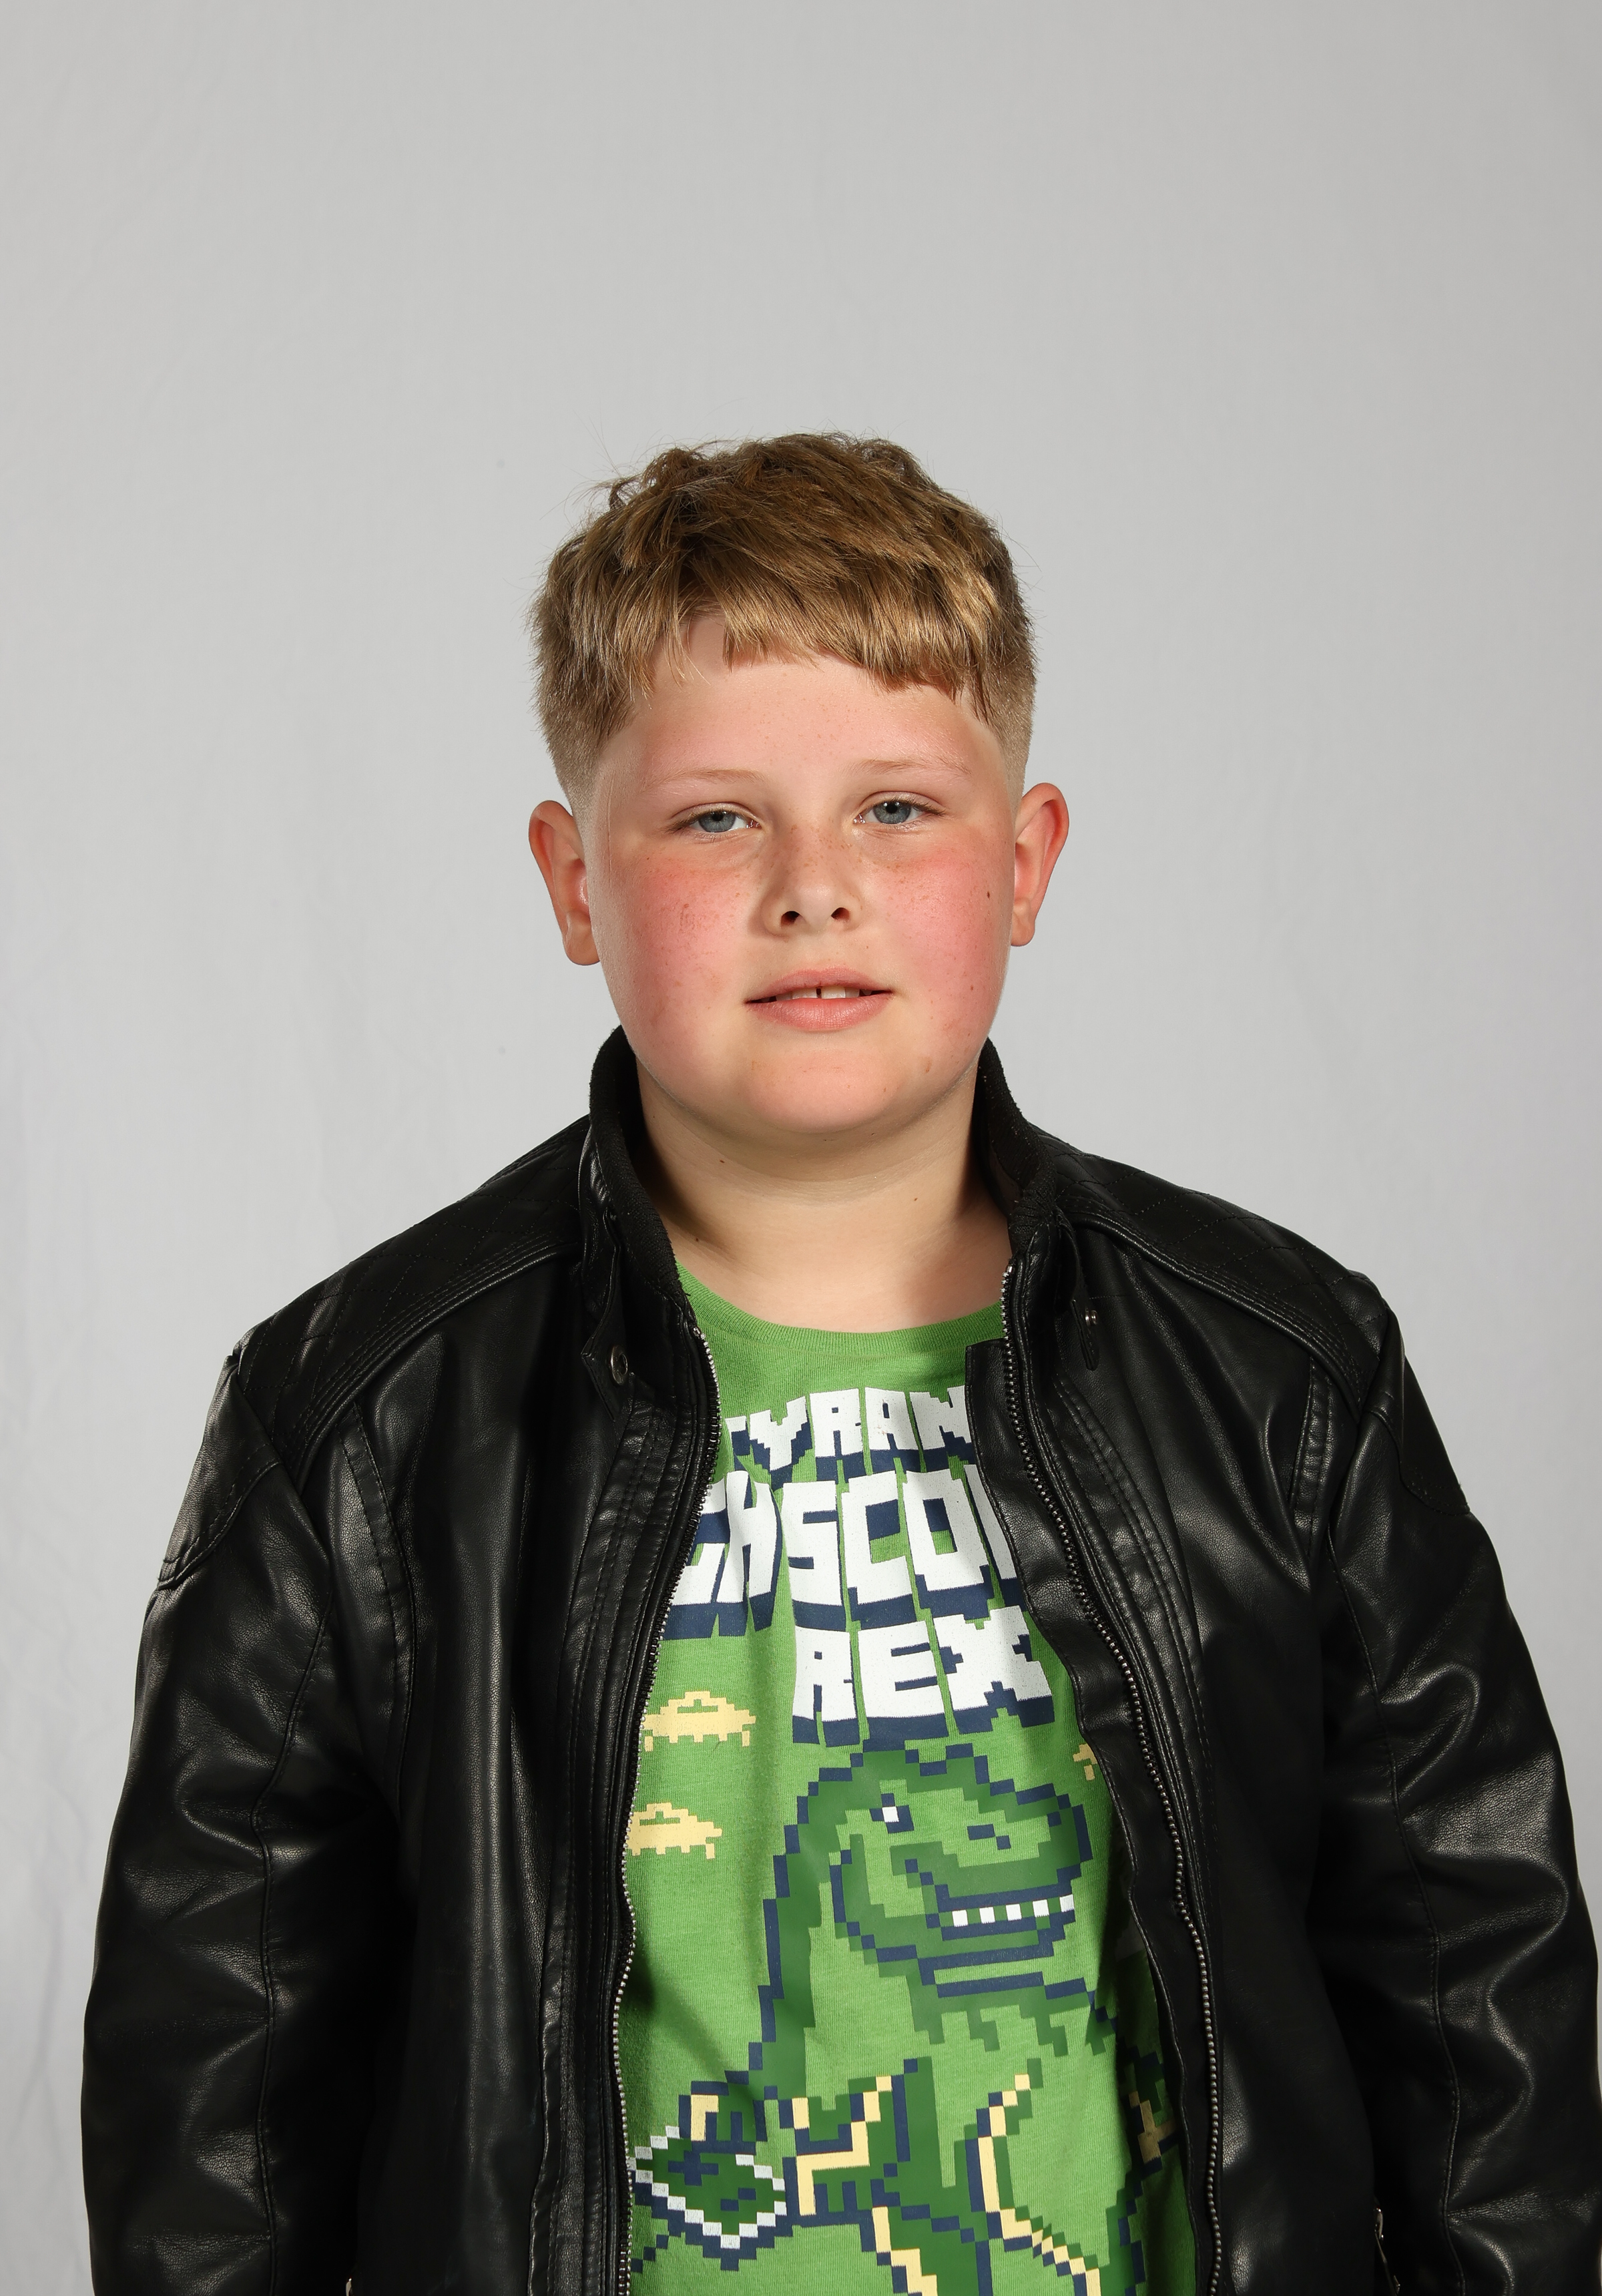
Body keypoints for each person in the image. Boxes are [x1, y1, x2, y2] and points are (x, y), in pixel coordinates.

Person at [82, 434, 1600, 2295]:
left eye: (897, 808)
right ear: (574, 882)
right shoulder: (359, 1419)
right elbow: (213, 2115)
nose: (814, 886)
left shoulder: (1285, 1377)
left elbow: (1482, 2000)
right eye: (717, 821)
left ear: (1024, 862)